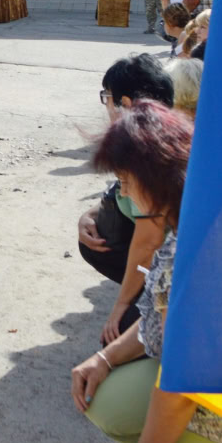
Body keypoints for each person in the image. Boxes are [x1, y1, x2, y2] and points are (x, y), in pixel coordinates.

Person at [72, 102, 222, 443]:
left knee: (141, 426)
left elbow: (181, 389)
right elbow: (166, 315)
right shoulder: (206, 212)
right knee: (106, 395)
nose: (123, 195)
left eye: (126, 182)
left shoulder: (193, 249)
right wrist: (105, 358)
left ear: (153, 175)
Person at [76, 54, 173, 343]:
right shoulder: (171, 127)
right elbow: (123, 196)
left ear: (126, 103)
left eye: (107, 96)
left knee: (116, 336)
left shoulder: (145, 150)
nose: (106, 105)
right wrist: (90, 215)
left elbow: (148, 239)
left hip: (185, 277)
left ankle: (140, 299)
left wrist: (120, 306)